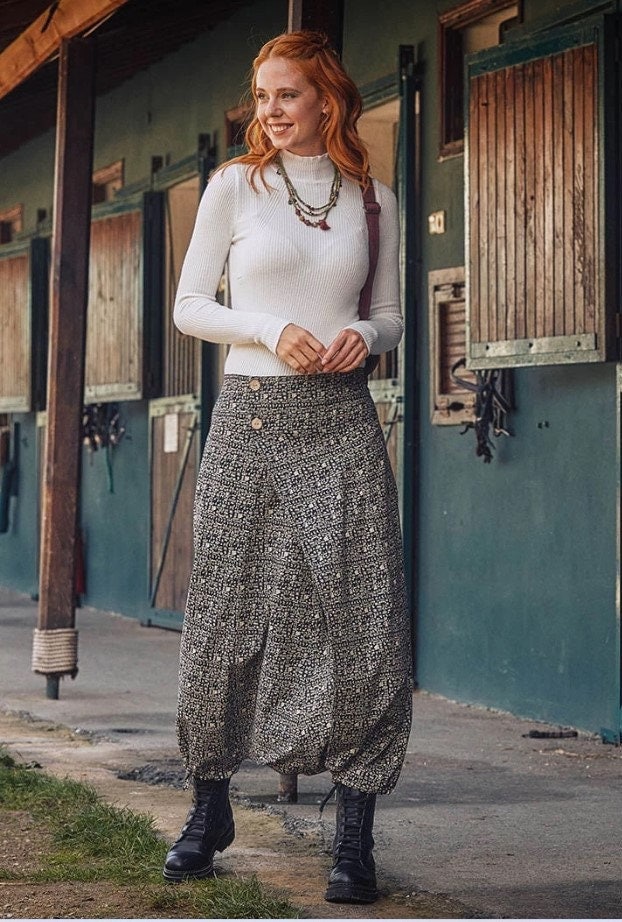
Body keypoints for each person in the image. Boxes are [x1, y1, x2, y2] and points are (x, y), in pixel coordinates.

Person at [162, 29, 413, 904]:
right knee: (226, 614)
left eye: (287, 94)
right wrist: (270, 328)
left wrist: (363, 335)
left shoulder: (373, 199)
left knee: (363, 618)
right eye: (261, 95)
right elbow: (190, 306)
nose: (269, 110)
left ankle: (355, 833)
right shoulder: (235, 186)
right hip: (251, 416)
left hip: (342, 420)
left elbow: (392, 315)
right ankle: (209, 808)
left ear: (327, 99)